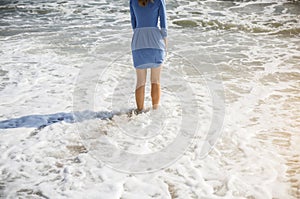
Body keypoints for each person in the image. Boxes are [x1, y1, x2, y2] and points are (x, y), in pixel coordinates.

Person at [130, 0, 168, 113]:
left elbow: (134, 23)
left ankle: (139, 111)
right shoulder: (159, 1)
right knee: (155, 80)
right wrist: (165, 42)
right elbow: (164, 25)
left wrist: (140, 35)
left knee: (140, 81)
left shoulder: (133, 1)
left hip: (138, 41)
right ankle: (155, 112)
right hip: (156, 42)